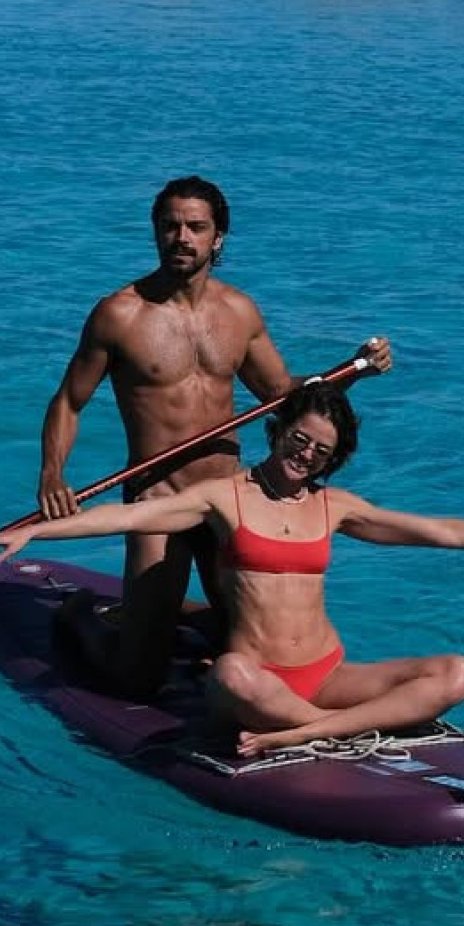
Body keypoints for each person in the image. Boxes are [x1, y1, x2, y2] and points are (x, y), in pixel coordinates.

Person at [0, 381, 464, 755]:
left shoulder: (335, 508)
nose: (305, 455)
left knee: (457, 673)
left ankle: (303, 734)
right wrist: (38, 529)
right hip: (257, 680)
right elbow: (126, 518)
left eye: (321, 451)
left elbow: (440, 530)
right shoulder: (225, 496)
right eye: (299, 439)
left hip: (326, 675)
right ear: (277, 431)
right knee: (228, 676)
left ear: (333, 460)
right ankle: (332, 732)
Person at [38, 175, 391, 696]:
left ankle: (173, 610)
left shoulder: (238, 313)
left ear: (217, 237)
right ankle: (82, 616)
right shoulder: (119, 314)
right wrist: (52, 473)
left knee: (254, 643)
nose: (182, 237)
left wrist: (351, 373)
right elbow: (69, 401)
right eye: (171, 226)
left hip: (231, 501)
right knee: (137, 680)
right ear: (156, 232)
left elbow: (279, 391)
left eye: (196, 227)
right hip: (158, 499)